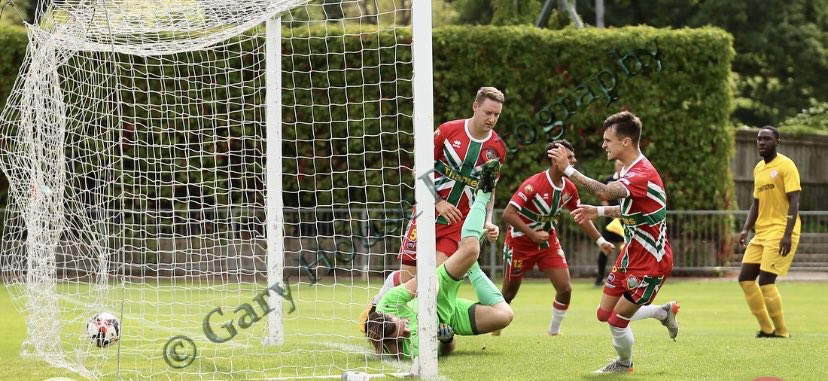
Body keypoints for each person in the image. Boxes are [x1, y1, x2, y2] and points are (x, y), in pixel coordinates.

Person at [549, 110, 679, 374]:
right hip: (630, 255)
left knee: (617, 321)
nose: (603, 145)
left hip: (651, 262)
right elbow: (635, 210)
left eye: (608, 140)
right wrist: (596, 212)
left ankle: (623, 365)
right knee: (603, 313)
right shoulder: (630, 171)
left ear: (626, 142)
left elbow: (605, 191)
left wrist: (568, 169)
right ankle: (663, 312)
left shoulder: (641, 173)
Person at [370, 87, 507, 306]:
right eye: (488, 113)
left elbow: (489, 189)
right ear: (475, 107)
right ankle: (379, 304)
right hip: (426, 213)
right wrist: (438, 201)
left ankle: (411, 326)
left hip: (457, 223)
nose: (492, 119)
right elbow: (419, 170)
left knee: (430, 280)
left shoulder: (497, 148)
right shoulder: (448, 131)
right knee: (408, 279)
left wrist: (488, 220)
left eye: (496, 115)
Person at [364, 160, 513, 359]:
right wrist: (446, 339)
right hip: (449, 316)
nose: (408, 329)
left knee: (470, 249)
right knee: (505, 316)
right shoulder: (412, 352)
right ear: (393, 344)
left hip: (437, 291)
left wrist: (428, 309)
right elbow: (447, 351)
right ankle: (472, 267)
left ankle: (483, 193)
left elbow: (428, 280)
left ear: (390, 314)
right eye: (404, 334)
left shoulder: (389, 304)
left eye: (403, 324)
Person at [491, 140, 614, 337]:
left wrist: (601, 241)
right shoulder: (533, 185)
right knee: (508, 294)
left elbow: (580, 216)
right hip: (520, 244)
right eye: (569, 157)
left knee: (565, 288)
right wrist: (532, 234)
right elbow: (508, 213)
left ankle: (554, 332)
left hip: (548, 243)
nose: (574, 161)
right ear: (555, 159)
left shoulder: (569, 188)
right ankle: (494, 326)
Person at [737, 125, 801, 339]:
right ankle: (766, 329)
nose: (761, 143)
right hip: (761, 232)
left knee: (766, 280)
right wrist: (746, 229)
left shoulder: (786, 165)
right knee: (745, 279)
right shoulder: (758, 169)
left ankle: (782, 332)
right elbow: (756, 203)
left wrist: (787, 234)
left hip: (781, 229)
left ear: (777, 142)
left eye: (766, 139)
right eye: (759, 139)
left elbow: (794, 202)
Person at [595, 160, 626, 287]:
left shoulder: (627, 179)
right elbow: (603, 198)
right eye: (618, 165)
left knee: (623, 249)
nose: (620, 167)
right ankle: (600, 277)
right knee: (605, 247)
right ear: (615, 166)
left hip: (625, 221)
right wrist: (609, 212)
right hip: (610, 222)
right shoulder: (608, 180)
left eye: (621, 165)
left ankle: (620, 278)